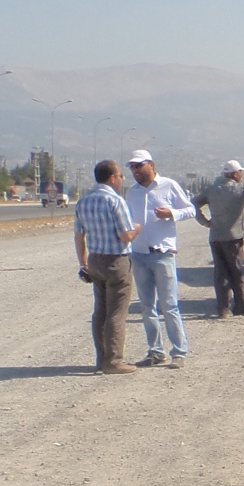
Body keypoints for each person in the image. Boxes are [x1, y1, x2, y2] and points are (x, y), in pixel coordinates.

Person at [121, 149, 197, 368]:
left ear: (151, 165)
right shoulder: (132, 192)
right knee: (147, 307)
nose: (135, 170)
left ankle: (179, 352)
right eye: (132, 167)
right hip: (139, 255)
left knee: (169, 305)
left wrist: (171, 213)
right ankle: (155, 351)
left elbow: (190, 210)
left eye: (139, 166)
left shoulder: (168, 185)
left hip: (162, 255)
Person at [72, 159, 141, 374]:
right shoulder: (115, 201)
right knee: (116, 313)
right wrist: (138, 228)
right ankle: (113, 361)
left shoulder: (83, 202)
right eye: (120, 176)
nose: (121, 180)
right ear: (112, 178)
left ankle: (101, 358)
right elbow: (126, 235)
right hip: (116, 260)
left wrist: (83, 263)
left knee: (100, 311)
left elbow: (79, 236)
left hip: (95, 259)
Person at [194, 146, 244, 317]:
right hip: (234, 239)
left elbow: (193, 204)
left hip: (215, 237)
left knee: (220, 274)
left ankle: (223, 309)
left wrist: (205, 222)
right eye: (240, 172)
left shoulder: (211, 190)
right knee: (236, 273)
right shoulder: (238, 189)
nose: (241, 175)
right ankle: (240, 306)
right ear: (235, 174)